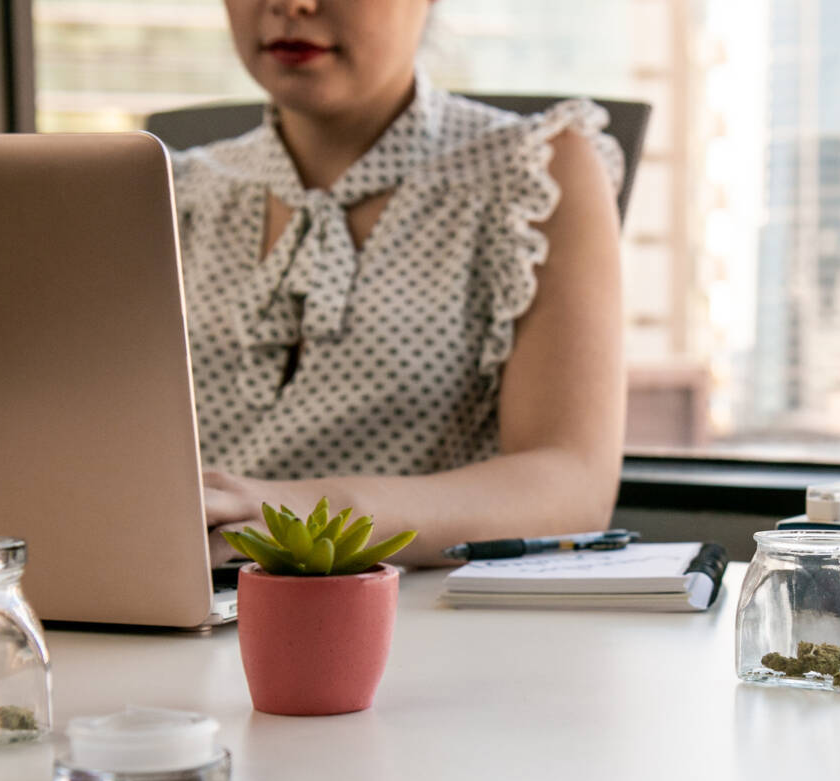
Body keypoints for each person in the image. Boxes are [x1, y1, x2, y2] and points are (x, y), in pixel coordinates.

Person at [174, 0, 626, 568]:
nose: (293, 5)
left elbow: (571, 487)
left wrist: (293, 514)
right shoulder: (177, 189)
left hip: (420, 621)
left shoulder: (534, 171)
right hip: (172, 616)